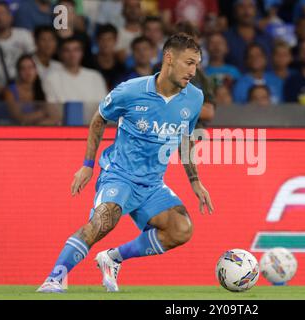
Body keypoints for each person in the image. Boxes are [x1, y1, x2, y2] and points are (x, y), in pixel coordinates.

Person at [37, 33, 214, 293]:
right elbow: (99, 119)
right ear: (169, 58)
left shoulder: (194, 98)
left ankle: (112, 258)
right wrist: (88, 164)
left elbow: (186, 138)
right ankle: (55, 278)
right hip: (119, 175)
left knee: (181, 230)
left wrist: (195, 181)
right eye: (188, 62)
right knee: (104, 221)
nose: (193, 70)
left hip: (152, 184)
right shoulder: (131, 90)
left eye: (196, 64)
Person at [0, 1, 35, 94]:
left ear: (10, 16)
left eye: (2, 13)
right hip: (0, 93)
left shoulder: (24, 35)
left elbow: (35, 61)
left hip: (28, 91)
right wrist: (3, 92)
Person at [43, 37, 107, 105]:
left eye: (76, 50)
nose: (72, 54)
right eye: (67, 50)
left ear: (82, 53)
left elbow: (103, 106)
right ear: (60, 54)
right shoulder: (50, 78)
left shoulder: (95, 76)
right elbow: (53, 108)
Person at [3, 54, 61, 125]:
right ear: (18, 72)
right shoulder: (9, 91)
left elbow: (56, 116)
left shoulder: (42, 88)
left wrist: (39, 125)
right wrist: (43, 112)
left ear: (36, 71)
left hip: (34, 130)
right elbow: (19, 118)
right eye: (23, 68)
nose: (27, 72)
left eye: (30, 67)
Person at [223, 0, 273, 72]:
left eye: (250, 6)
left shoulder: (267, 38)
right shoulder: (225, 38)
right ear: (234, 11)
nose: (246, 11)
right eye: (241, 7)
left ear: (256, 10)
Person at [92, 24, 127, 91]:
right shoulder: (89, 63)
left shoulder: (121, 67)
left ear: (116, 41)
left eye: (109, 39)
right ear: (96, 41)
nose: (105, 43)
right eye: (102, 39)